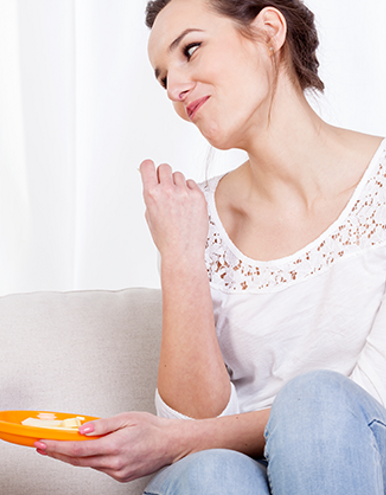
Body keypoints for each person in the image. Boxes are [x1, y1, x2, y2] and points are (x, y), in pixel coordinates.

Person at [35, 0, 386, 493]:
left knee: (317, 403)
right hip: (230, 476)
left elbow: (374, 396)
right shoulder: (192, 212)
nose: (176, 89)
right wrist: (181, 257)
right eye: (163, 79)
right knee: (210, 472)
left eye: (191, 50)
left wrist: (177, 440)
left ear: (268, 32)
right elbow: (195, 423)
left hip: (362, 461)